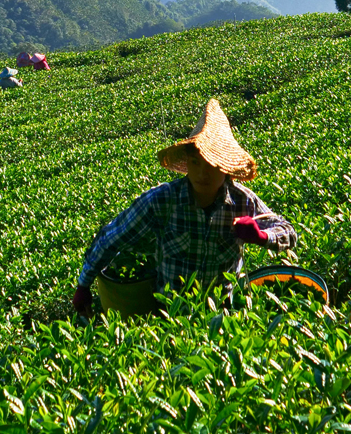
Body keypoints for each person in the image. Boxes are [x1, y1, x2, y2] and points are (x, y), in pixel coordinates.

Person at [72, 99, 297, 317]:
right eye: (196, 162)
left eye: (211, 164)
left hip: (223, 313)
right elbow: (111, 238)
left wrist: (262, 236)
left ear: (227, 169)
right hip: (171, 314)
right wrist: (84, 284)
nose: (201, 173)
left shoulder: (242, 201)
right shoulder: (162, 201)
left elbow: (287, 231)